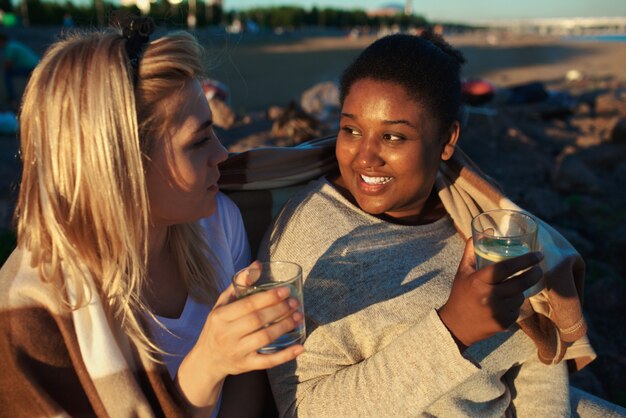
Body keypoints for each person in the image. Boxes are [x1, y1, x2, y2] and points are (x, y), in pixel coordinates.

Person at [260, 32, 594, 416]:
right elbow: (301, 408)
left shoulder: (474, 218)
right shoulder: (306, 240)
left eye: (393, 136)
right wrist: (452, 330)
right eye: (351, 130)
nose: (364, 157)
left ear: (447, 140)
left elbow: (534, 355)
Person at [0, 18, 304, 417]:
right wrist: (208, 363)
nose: (222, 154)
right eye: (198, 141)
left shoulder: (217, 223)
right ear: (118, 166)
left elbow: (247, 380)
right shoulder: (33, 317)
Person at [0, 32, 39, 107]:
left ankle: (11, 97)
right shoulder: (13, 44)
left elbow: (8, 64)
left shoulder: (10, 47)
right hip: (35, 65)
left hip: (31, 67)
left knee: (7, 74)